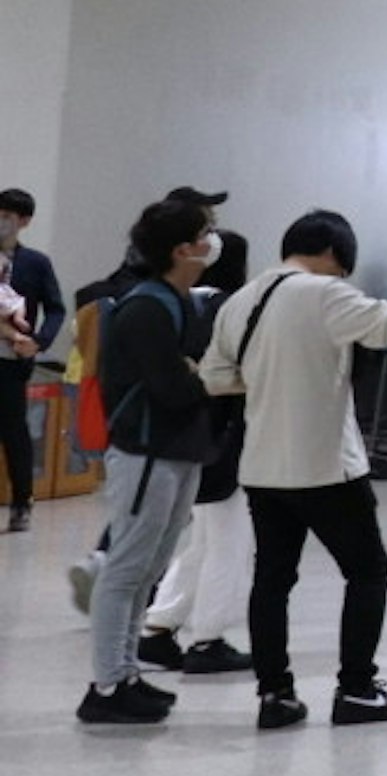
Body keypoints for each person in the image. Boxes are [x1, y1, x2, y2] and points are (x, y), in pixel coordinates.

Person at [201, 208, 387, 733]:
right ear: (334, 254)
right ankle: (357, 689)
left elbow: (213, 375)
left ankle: (275, 695)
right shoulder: (327, 293)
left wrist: (269, 382)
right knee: (367, 572)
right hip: (326, 465)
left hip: (262, 467)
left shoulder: (241, 300)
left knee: (272, 581)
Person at [77, 193, 219, 727]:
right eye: (205, 234)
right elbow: (174, 385)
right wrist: (200, 377)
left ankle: (128, 670)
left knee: (151, 568)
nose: (212, 242)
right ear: (182, 249)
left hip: (177, 450)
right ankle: (106, 683)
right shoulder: (145, 306)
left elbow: (190, 375)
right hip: (146, 452)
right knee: (127, 568)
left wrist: (196, 375)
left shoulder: (178, 301)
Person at [138, 227, 257, 678]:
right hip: (228, 437)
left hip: (193, 437)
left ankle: (159, 626)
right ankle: (209, 637)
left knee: (204, 538)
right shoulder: (234, 307)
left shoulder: (182, 302)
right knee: (230, 540)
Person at [0, 187, 60, 531]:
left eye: (9, 215)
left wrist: (38, 342)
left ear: (24, 221)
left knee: (15, 432)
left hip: (12, 362)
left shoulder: (35, 263)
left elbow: (55, 307)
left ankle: (22, 502)